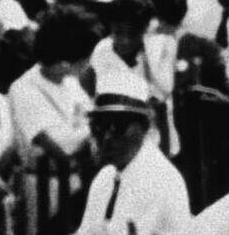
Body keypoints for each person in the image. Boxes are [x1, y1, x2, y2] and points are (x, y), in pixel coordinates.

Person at [72, 77, 186, 235]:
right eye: (100, 126)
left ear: (144, 127)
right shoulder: (106, 177)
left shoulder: (158, 178)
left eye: (119, 126)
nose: (107, 137)